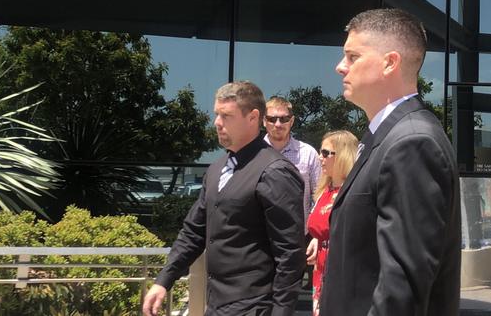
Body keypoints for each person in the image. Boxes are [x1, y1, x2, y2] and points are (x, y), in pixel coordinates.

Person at [320, 9, 461, 316]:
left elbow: (402, 292)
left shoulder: (412, 143)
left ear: (389, 63)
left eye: (352, 56)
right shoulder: (387, 137)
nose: (340, 67)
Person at [142, 81, 306, 316]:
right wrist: (164, 280)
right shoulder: (217, 169)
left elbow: (290, 255)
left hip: (256, 306)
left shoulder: (275, 171)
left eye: (226, 116)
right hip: (217, 304)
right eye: (217, 114)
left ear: (253, 117)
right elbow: (193, 231)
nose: (217, 123)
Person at [305, 130, 358, 316]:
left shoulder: (353, 192)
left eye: (327, 153)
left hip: (341, 270)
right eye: (321, 152)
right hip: (320, 270)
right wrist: (316, 239)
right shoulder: (323, 190)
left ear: (344, 155)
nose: (320, 157)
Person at [263, 96, 321, 232]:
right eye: (272, 119)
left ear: (292, 121)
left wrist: (314, 229)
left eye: (284, 119)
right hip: (262, 238)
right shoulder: (253, 153)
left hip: (300, 236)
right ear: (264, 121)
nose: (278, 124)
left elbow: (319, 196)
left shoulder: (308, 154)